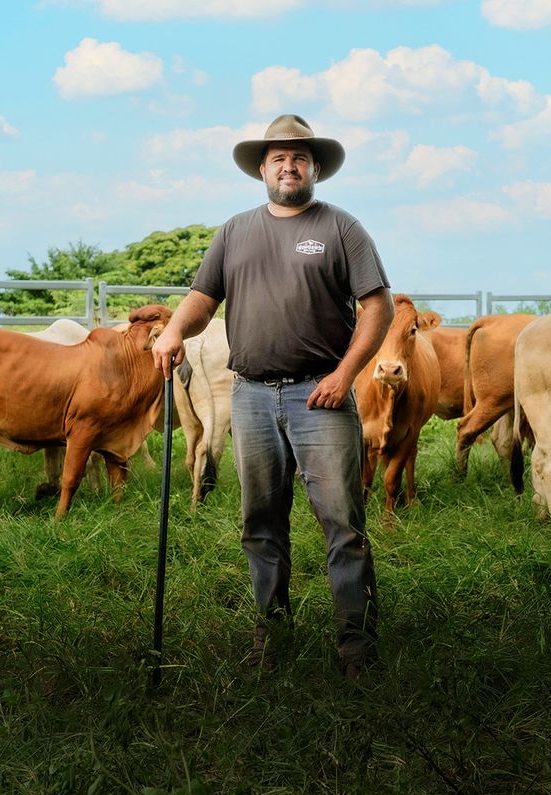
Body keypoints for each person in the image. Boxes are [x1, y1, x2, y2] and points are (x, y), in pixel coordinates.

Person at [152, 114, 393, 680]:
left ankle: (356, 645)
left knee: (342, 524)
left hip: (321, 398)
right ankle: (271, 631)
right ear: (262, 169)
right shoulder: (235, 231)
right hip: (252, 397)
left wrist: (345, 375)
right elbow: (201, 298)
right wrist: (171, 330)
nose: (289, 166)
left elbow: (376, 306)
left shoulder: (341, 229)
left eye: (300, 157)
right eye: (278, 158)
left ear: (315, 169)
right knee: (260, 522)